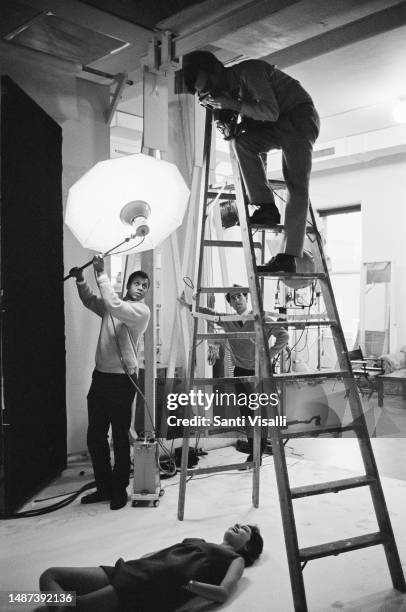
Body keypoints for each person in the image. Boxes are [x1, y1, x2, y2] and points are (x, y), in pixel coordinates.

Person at [182, 51, 320, 273]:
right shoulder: (232, 91)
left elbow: (270, 111)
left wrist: (230, 104)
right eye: (205, 92)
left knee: (296, 184)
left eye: (209, 84)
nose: (212, 92)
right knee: (242, 143)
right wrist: (227, 116)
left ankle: (290, 256)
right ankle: (266, 205)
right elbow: (254, 122)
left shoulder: (250, 71)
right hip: (279, 124)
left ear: (217, 69)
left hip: (299, 118)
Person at [70, 256, 150, 510]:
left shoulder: (140, 312)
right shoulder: (113, 304)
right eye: (136, 283)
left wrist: (102, 274)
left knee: (120, 436)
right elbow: (91, 301)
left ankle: (119, 489)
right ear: (127, 286)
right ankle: (104, 488)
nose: (140, 287)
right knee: (95, 436)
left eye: (144, 285)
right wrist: (81, 280)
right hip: (100, 377)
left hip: (122, 381)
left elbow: (114, 306)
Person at [37, 523, 263, 612]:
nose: (236, 526)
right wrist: (146, 558)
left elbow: (222, 594)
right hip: (136, 568)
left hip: (152, 581)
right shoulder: (198, 540)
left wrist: (187, 583)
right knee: (51, 575)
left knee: (73, 606)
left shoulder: (235, 559)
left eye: (244, 530)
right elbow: (161, 553)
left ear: (247, 547)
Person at [180, 285, 289, 465]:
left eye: (240, 296)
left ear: (246, 298)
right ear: (230, 303)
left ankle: (257, 454)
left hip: (259, 373)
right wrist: (190, 305)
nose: (237, 300)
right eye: (233, 298)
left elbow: (283, 336)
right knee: (247, 415)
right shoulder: (229, 320)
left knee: (259, 415)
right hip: (240, 372)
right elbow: (211, 313)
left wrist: (268, 355)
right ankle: (254, 453)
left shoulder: (259, 317)